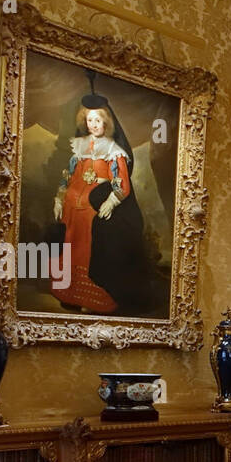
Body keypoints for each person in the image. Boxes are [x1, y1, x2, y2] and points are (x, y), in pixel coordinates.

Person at [50, 91, 147, 314]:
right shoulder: (80, 146)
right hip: (72, 209)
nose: (93, 124)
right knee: (70, 249)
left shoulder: (114, 151)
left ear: (106, 121)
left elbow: (122, 184)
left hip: (93, 212)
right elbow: (68, 175)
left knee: (88, 251)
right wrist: (59, 198)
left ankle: (92, 298)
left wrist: (111, 202)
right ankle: (69, 294)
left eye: (98, 120)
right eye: (89, 120)